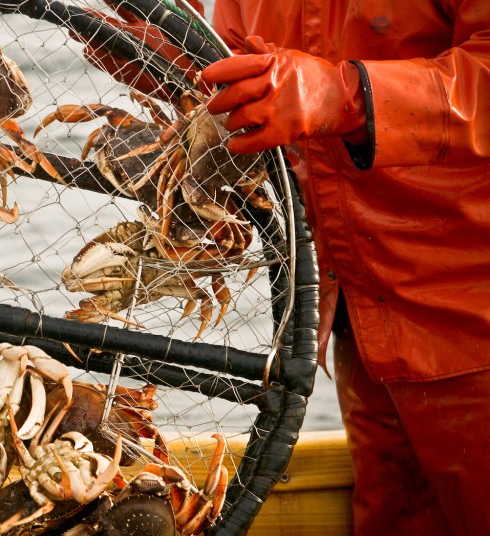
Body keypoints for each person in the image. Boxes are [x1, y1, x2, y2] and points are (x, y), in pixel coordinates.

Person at [83, 1, 490, 533]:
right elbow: (244, 73)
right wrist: (181, 68)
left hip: (471, 310)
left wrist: (344, 96)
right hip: (364, 320)